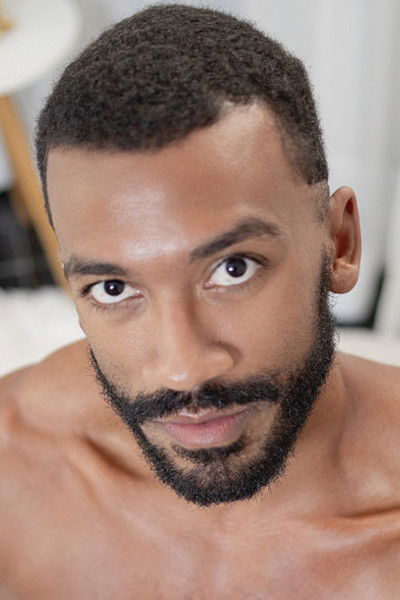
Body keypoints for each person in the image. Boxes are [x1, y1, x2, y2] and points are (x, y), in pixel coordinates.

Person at [1, 4, 399, 598]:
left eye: (233, 269)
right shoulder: (18, 466)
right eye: (114, 288)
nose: (183, 369)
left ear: (339, 242)